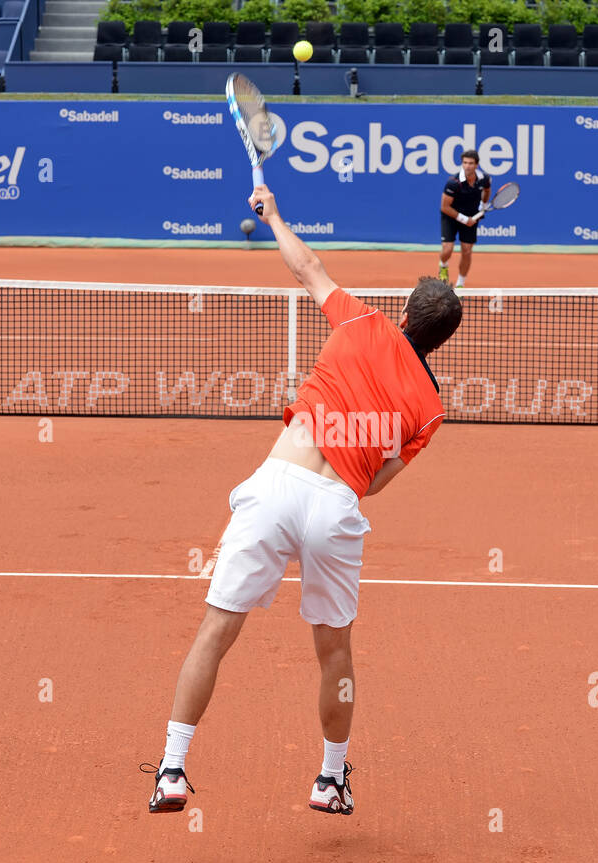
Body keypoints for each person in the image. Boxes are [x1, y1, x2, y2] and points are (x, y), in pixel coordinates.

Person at [142, 182, 463, 817]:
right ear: (439, 341)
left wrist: (274, 215)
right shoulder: (430, 411)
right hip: (336, 507)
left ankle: (173, 770)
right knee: (335, 650)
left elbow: (307, 265)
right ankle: (329, 780)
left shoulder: (361, 318)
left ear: (402, 313)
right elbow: (372, 483)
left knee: (217, 629)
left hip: (274, 487)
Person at [439, 149, 490, 289]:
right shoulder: (453, 182)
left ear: (477, 165)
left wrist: (483, 204)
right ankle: (443, 265)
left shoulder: (484, 179)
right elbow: (444, 207)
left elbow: (487, 190)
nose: (467, 166)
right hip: (451, 216)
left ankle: (460, 284)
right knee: (447, 250)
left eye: (471, 163)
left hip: (472, 216)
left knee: (467, 251)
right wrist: (464, 219)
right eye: (465, 163)